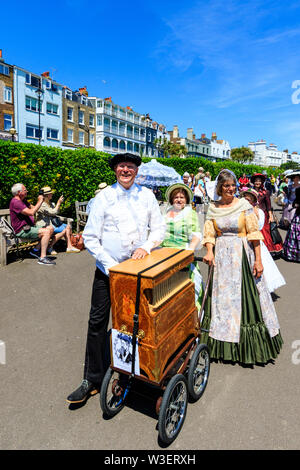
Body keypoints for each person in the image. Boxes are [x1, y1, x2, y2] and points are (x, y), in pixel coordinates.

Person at [67, 153, 166, 404]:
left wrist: (146, 246)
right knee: (97, 322)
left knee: (137, 323)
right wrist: (112, 267)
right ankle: (92, 379)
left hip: (138, 271)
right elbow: (90, 237)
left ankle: (136, 372)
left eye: (130, 166)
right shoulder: (103, 198)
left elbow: (158, 229)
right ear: (115, 170)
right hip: (107, 271)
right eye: (121, 166)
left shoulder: (147, 196)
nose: (126, 170)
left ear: (136, 170)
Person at [201, 169, 283, 365]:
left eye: (232, 185)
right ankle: (220, 344)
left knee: (246, 299)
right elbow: (210, 233)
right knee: (222, 301)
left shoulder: (244, 205)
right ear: (220, 188)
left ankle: (248, 347)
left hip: (242, 256)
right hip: (221, 257)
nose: (230, 189)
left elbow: (254, 234)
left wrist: (258, 260)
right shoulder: (213, 208)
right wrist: (210, 251)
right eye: (226, 186)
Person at [161, 183, 203, 311]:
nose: (179, 200)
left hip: (182, 254)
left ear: (187, 200)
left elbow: (196, 235)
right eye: (176, 197)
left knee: (184, 288)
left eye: (182, 197)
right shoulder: (166, 213)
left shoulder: (190, 214)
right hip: (164, 255)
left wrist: (189, 251)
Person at [239, 188, 286, 293]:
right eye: (245, 199)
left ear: (253, 201)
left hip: (255, 243)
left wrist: (254, 213)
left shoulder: (258, 211)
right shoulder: (240, 211)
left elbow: (259, 226)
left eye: (249, 199)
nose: (246, 201)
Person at [9, 183, 55, 266]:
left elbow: (34, 208)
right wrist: (40, 200)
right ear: (19, 192)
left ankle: (35, 251)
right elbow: (31, 212)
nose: (27, 191)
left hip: (29, 227)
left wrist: (43, 203)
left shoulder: (23, 201)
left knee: (50, 228)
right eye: (25, 190)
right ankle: (42, 258)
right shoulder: (16, 202)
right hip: (21, 230)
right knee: (46, 232)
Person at [36, 186, 80, 254]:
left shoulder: (50, 203)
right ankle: (50, 247)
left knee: (67, 227)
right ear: (47, 195)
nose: (52, 194)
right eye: (51, 193)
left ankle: (69, 247)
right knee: (65, 230)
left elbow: (56, 214)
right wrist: (59, 203)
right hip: (45, 226)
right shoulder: (42, 205)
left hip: (52, 224)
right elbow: (53, 212)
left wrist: (58, 205)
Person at [251, 173, 283, 258]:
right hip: (252, 215)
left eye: (259, 181)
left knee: (266, 232)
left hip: (264, 215)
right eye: (256, 181)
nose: (257, 182)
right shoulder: (250, 191)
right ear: (253, 182)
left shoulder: (265, 192)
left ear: (262, 182)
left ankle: (269, 250)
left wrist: (271, 216)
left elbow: (269, 205)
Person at [282, 173, 300, 263]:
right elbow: (295, 202)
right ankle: (293, 254)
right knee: (294, 230)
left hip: (297, 211)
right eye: (296, 178)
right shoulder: (297, 190)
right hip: (296, 210)